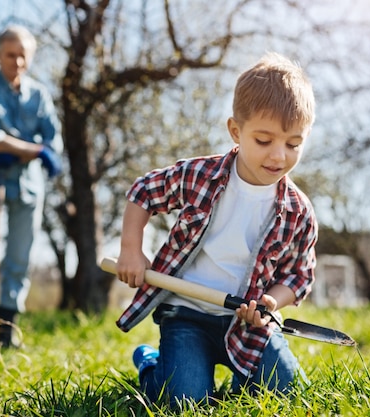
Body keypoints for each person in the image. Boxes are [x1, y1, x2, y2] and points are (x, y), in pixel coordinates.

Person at [114, 52, 317, 404]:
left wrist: (271, 302)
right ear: (236, 131)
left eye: (293, 144)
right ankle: (151, 365)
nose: (279, 156)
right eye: (264, 141)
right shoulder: (200, 176)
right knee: (185, 402)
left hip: (248, 325)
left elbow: (300, 275)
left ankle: (245, 379)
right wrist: (131, 250)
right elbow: (143, 192)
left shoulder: (298, 211)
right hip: (187, 315)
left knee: (290, 394)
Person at [0, 25, 63, 347]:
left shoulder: (39, 94)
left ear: (29, 58)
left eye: (22, 55)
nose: (16, 62)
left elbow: (53, 139)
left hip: (28, 186)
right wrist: (33, 150)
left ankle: (6, 327)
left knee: (20, 255)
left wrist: (27, 148)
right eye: (10, 54)